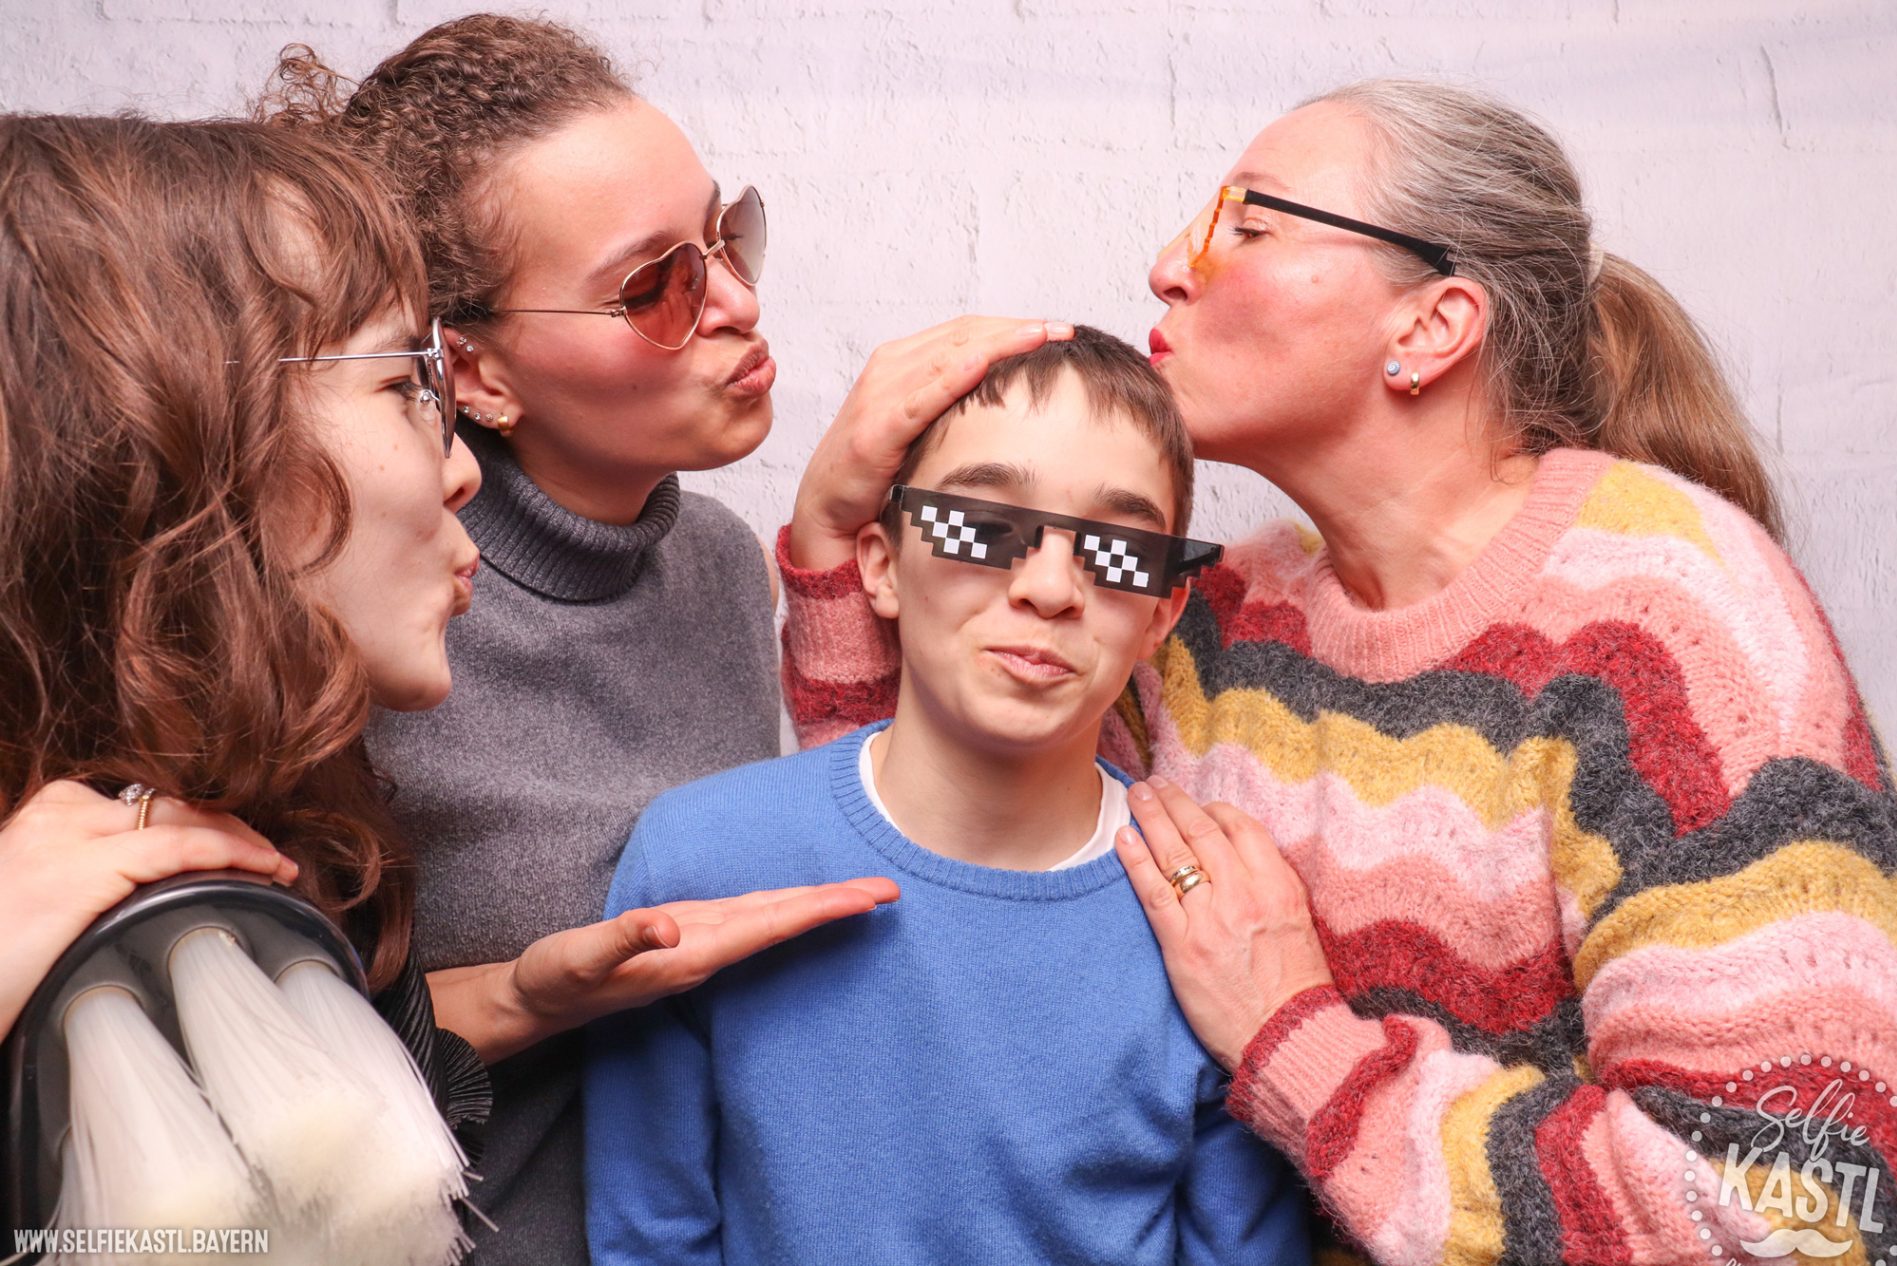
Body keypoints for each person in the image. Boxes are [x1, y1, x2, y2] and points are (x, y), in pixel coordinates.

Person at [775, 80, 1897, 1263]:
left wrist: (1293, 1039)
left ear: (1430, 326)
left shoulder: (1670, 630)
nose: (1167, 267)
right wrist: (834, 531)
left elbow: (1809, 1219)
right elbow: (940, 873)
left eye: (1247, 226)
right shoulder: (1215, 635)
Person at [0, 112, 897, 1247]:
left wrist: (526, 995)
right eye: (404, 382)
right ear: (172, 439)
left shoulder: (282, 792)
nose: (461, 468)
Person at [262, 17, 1064, 1260]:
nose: (739, 303)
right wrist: (522, 999)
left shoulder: (716, 564)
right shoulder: (355, 619)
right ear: (473, 375)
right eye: (655, 287)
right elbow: (242, 1080)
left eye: (724, 238)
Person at [585, 327, 1309, 1265]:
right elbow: (648, 1238)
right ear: (881, 567)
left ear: (1162, 612)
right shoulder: (704, 856)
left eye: (1118, 550)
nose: (1050, 587)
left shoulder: (1213, 919)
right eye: (984, 526)